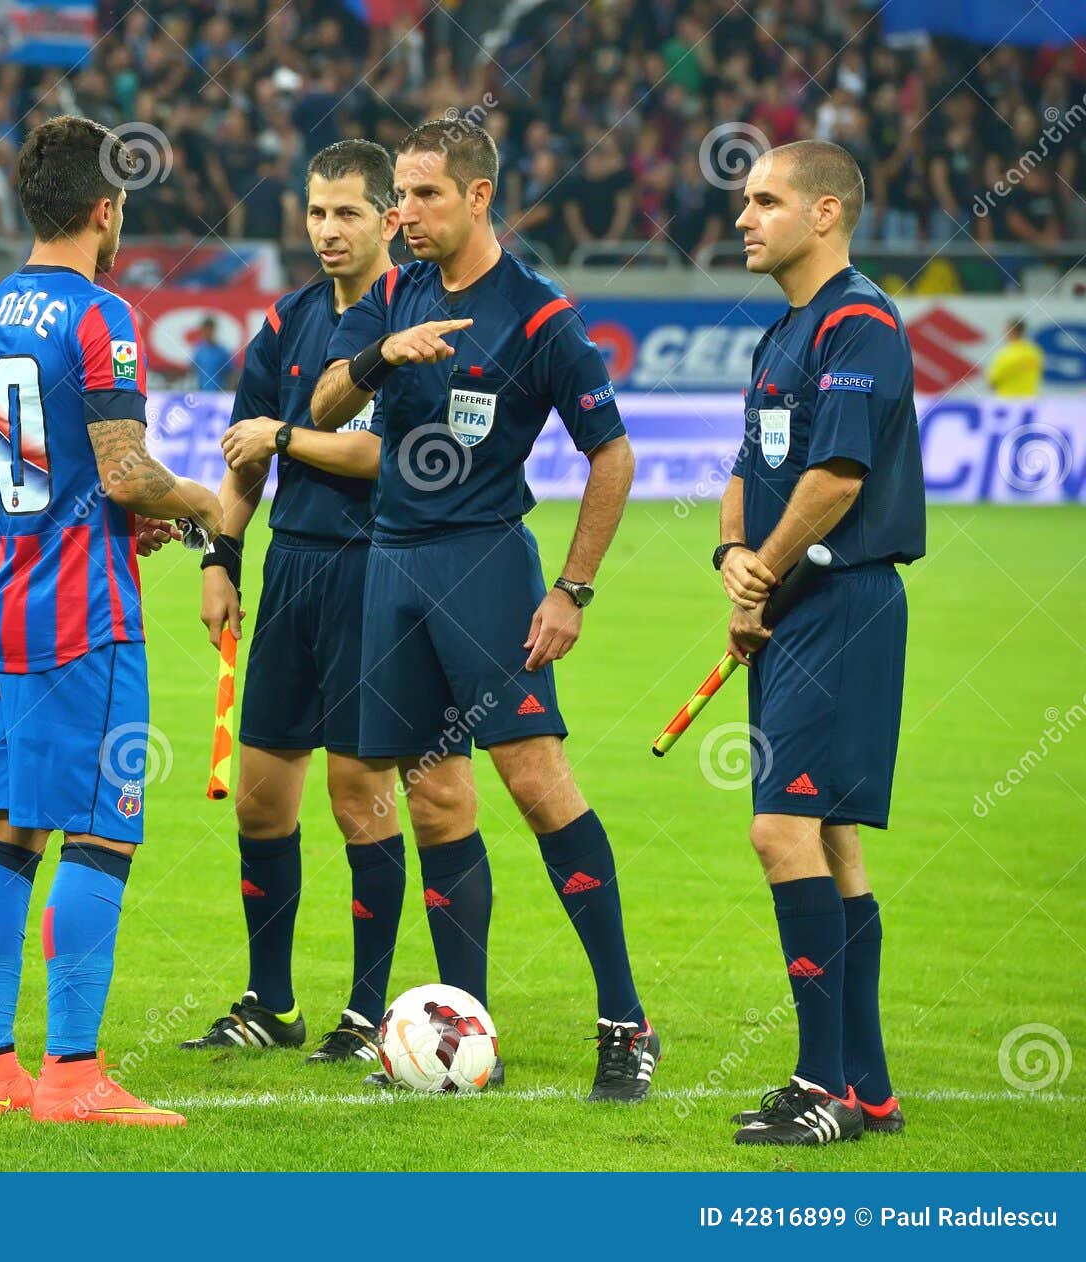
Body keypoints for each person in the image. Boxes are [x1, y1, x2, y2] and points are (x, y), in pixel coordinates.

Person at [312, 119, 659, 1101]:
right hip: (393, 562)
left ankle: (625, 1021)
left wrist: (572, 586)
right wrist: (384, 353)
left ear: (476, 197)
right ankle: (467, 1033)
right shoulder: (390, 291)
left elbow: (613, 452)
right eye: (399, 196)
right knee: (433, 793)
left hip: (484, 565)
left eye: (423, 196)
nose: (401, 214)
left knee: (534, 778)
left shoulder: (539, 317)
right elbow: (328, 407)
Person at [0, 115, 222, 1127]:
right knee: (102, 831)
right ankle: (72, 1073)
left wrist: (117, 510)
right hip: (78, 612)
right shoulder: (100, 314)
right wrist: (200, 502)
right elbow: (123, 467)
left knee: (7, 831)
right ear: (107, 209)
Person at [179, 140, 404, 1066]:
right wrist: (219, 556)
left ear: (390, 218)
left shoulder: (414, 321)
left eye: (347, 212)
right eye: (316, 212)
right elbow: (245, 455)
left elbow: (383, 454)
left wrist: (287, 432)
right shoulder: (289, 320)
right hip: (293, 573)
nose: (328, 230)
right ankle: (271, 1002)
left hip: (378, 573)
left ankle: (364, 1010)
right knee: (262, 803)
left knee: (360, 798)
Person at [721, 139, 925, 1145]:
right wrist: (732, 555)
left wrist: (762, 566)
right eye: (742, 199)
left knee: (779, 830)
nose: (743, 217)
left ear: (826, 214)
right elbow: (741, 467)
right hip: (792, 606)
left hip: (841, 604)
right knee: (830, 836)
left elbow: (836, 478)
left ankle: (820, 1086)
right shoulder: (783, 334)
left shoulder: (860, 323)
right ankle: (866, 1086)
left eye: (765, 199)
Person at [986, 318, 1044, 397]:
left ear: (1012, 331)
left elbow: (993, 381)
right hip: (1029, 398)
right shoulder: (1034, 352)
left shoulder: (1006, 354)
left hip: (1008, 400)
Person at [190, 317, 234, 391]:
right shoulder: (198, 351)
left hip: (219, 394)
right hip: (201, 394)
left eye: (210, 329)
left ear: (214, 330)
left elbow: (230, 373)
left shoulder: (222, 352)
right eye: (205, 330)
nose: (207, 332)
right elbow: (193, 371)